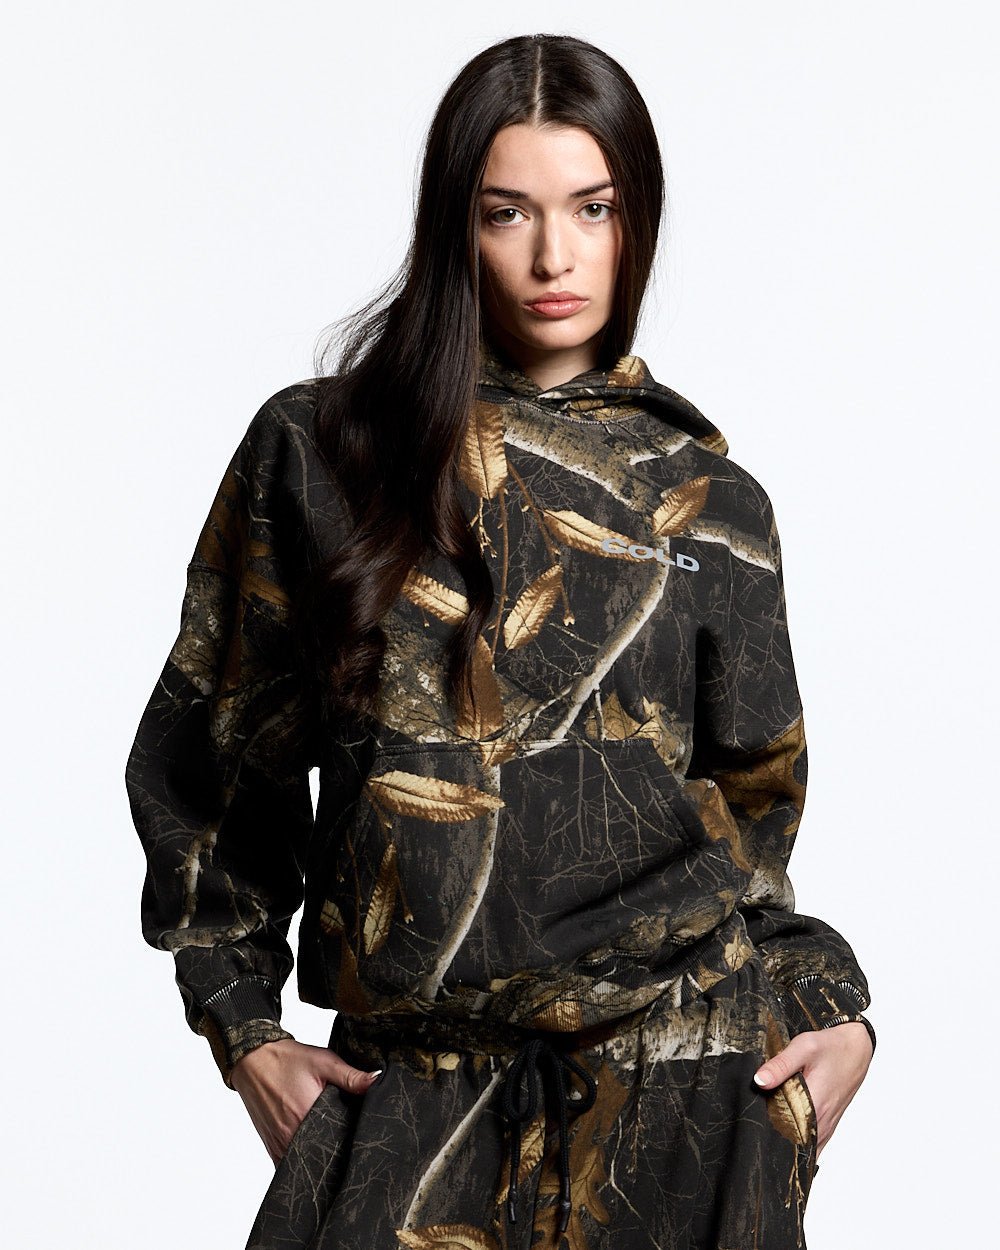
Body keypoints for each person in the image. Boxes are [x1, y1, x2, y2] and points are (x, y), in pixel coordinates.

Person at [125, 32, 875, 1250]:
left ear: (635, 220)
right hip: (414, 1096)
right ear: (453, 226)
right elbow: (209, 764)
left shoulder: (709, 503)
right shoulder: (324, 455)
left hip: (682, 1105)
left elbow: (750, 830)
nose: (552, 255)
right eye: (506, 211)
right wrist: (244, 1026)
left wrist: (834, 1019)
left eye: (592, 207)